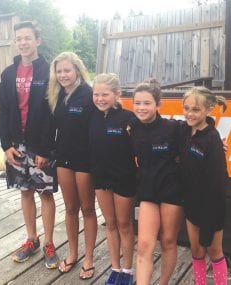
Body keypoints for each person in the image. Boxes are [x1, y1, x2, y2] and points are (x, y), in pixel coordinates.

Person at [0, 21, 59, 269]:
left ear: (37, 40)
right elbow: (3, 110)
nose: (23, 42)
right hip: (16, 145)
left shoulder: (49, 71)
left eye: (27, 38)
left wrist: (47, 149)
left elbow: (54, 112)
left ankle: (49, 243)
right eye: (19, 38)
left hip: (41, 145)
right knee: (25, 192)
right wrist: (5, 145)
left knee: (45, 193)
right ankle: (31, 239)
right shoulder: (8, 73)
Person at [47, 51, 97, 280]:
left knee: (87, 209)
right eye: (59, 71)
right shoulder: (56, 94)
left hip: (85, 159)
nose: (63, 75)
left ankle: (89, 258)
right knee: (69, 208)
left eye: (67, 70)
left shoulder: (89, 94)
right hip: (64, 158)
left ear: (77, 70)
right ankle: (73, 253)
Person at [129, 79, 183, 285]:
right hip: (147, 192)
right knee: (143, 245)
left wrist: (216, 143)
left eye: (147, 103)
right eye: (137, 103)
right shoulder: (132, 126)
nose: (141, 108)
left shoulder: (174, 128)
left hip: (172, 191)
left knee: (168, 241)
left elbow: (200, 131)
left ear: (158, 105)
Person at [178, 86, 228, 285]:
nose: (189, 113)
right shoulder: (183, 130)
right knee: (197, 250)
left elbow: (219, 181)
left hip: (212, 206)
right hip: (191, 203)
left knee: (214, 251)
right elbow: (158, 125)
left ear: (208, 110)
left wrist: (210, 214)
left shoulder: (212, 139)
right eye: (186, 108)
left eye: (195, 110)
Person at [90, 73, 136, 285]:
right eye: (96, 94)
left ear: (117, 94)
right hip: (100, 177)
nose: (100, 98)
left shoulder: (128, 118)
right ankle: (115, 268)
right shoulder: (92, 116)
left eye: (105, 94)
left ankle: (127, 270)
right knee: (110, 224)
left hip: (124, 178)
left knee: (124, 224)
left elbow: (154, 132)